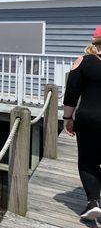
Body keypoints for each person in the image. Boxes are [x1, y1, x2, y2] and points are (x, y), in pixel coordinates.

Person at [64, 26, 101, 220]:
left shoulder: (83, 62)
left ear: (94, 43)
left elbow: (71, 94)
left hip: (89, 119)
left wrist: (67, 119)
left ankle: (93, 201)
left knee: (88, 160)